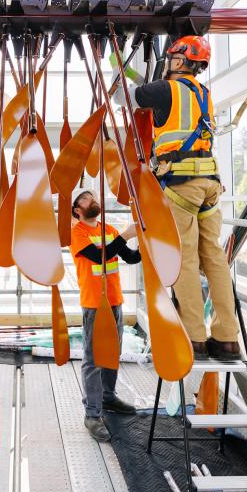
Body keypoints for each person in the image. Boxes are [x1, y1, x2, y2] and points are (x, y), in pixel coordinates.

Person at [115, 35, 241, 361]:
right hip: (211, 184)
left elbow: (122, 96)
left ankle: (195, 337)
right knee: (213, 258)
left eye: (172, 58)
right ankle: (227, 338)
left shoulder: (165, 90)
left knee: (185, 258)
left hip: (181, 184)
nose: (168, 63)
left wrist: (118, 65)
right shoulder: (203, 94)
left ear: (181, 60)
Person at [70, 188, 142, 442]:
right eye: (87, 199)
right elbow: (100, 255)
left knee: (113, 352)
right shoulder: (77, 233)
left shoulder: (107, 228)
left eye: (94, 197)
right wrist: (126, 234)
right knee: (93, 357)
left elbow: (130, 258)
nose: (93, 200)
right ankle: (92, 413)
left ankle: (108, 397)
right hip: (94, 304)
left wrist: (147, 243)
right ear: (77, 209)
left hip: (114, 301)